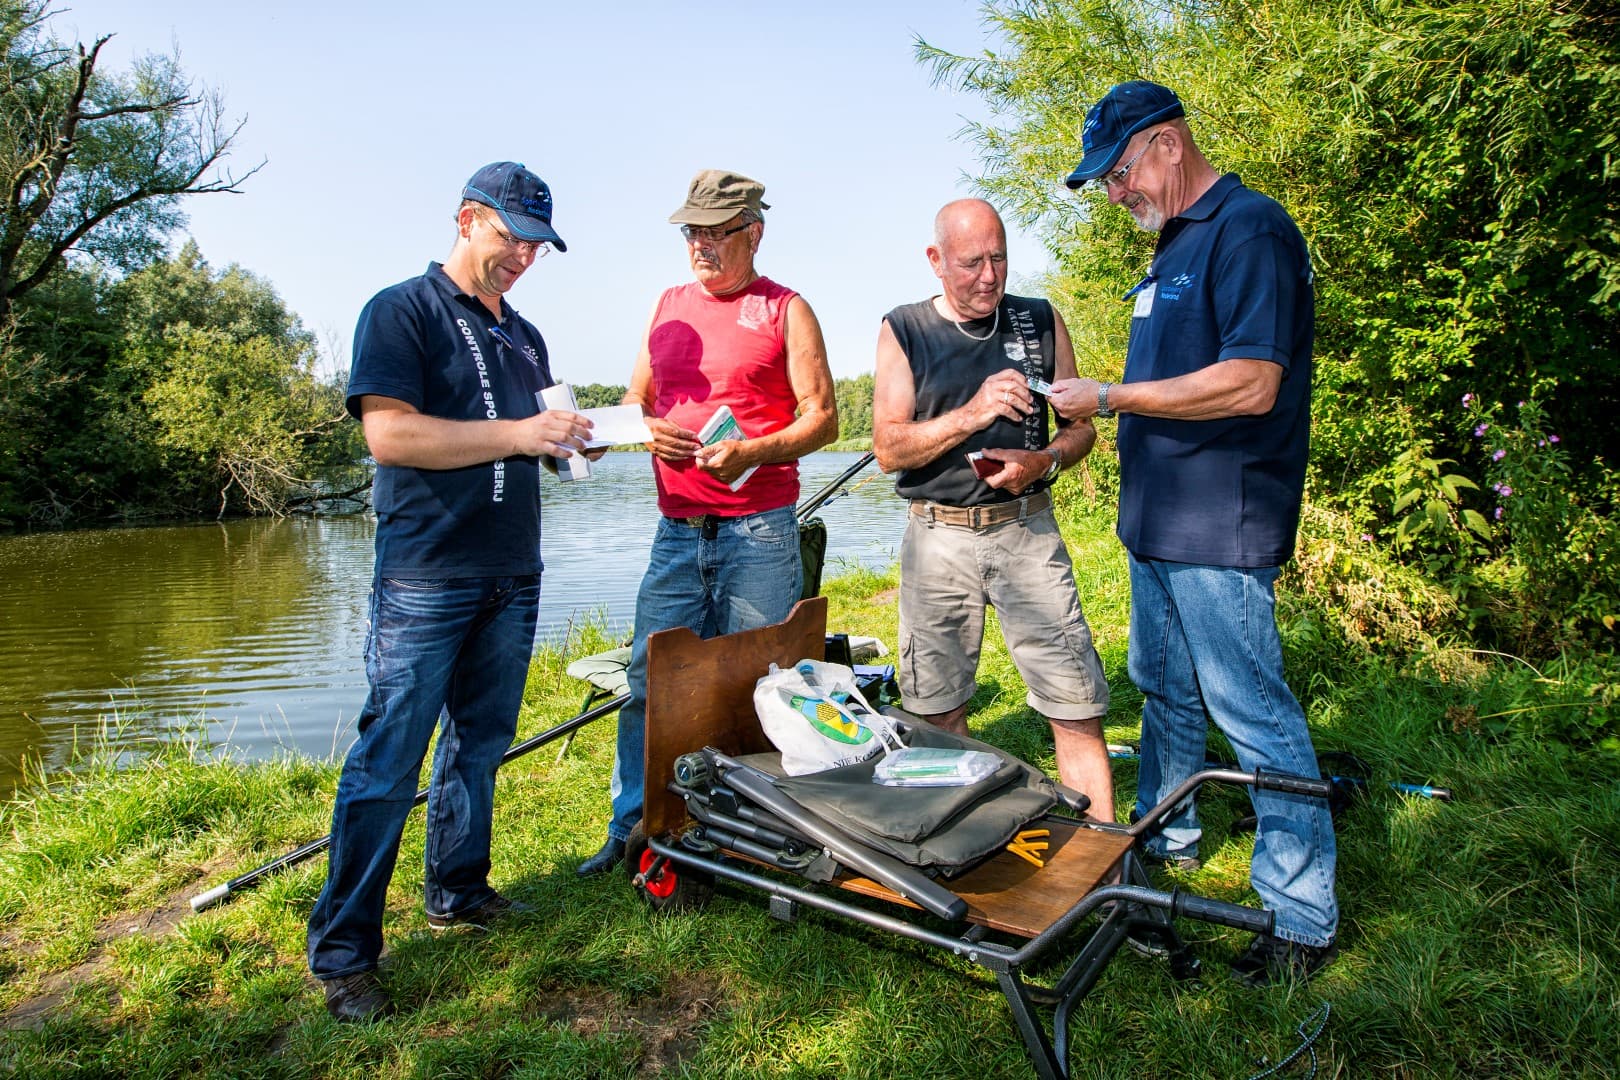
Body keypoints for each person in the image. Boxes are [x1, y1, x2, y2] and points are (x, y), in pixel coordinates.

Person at [1052, 81, 1338, 986]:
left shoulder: (1249, 229)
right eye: (1104, 180)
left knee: (1252, 712)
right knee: (1165, 694)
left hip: (1221, 526)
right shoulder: (1178, 243)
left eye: (1121, 171)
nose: (1115, 192)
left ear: (1169, 145)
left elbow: (1253, 381)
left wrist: (1108, 397)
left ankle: (1301, 914)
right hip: (1159, 528)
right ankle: (1166, 843)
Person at [307, 162, 595, 1021]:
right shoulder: (401, 310)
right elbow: (390, 434)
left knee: (479, 744)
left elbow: (536, 440)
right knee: (389, 759)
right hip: (427, 573)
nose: (523, 258)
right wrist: (521, 432)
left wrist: (572, 445)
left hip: (514, 569)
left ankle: (458, 890)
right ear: (467, 220)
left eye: (537, 246)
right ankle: (346, 953)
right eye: (511, 237)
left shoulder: (528, 336)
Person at [576, 169, 838, 876]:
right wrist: (646, 428)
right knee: (649, 675)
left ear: (753, 233)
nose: (699, 245)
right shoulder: (666, 307)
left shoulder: (787, 309)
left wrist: (755, 450)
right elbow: (638, 399)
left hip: (760, 527)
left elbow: (823, 417)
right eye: (691, 231)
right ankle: (633, 825)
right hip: (677, 529)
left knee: (759, 679)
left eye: (715, 232)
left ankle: (751, 826)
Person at [870, 198, 1115, 816]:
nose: (989, 276)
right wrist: (974, 414)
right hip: (938, 539)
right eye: (972, 262)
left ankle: (1107, 861)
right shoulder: (905, 330)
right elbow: (888, 448)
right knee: (937, 711)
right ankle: (957, 854)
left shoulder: (1037, 320)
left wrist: (1044, 462)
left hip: (1027, 531)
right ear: (936, 261)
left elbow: (1080, 427)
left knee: (1075, 703)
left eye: (999, 259)